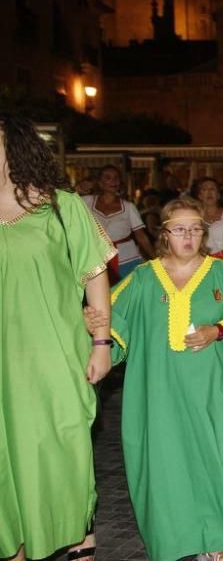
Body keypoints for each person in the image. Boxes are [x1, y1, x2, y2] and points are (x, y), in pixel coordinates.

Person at [96, 197, 223, 561]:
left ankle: (217, 539)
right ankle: (173, 538)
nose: (188, 235)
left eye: (196, 228)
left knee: (218, 458)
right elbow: (111, 319)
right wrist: (93, 328)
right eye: (179, 229)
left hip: (214, 390)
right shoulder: (142, 278)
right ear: (165, 234)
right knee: (168, 462)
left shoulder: (220, 273)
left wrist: (217, 330)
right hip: (160, 394)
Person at [0, 112, 114, 561]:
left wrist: (101, 343)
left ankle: (75, 537)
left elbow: (94, 272)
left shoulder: (60, 206)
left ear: (17, 147)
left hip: (53, 352)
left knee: (59, 443)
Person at [83, 164, 155, 281]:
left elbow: (141, 236)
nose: (113, 181)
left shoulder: (129, 207)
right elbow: (63, 203)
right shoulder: (87, 202)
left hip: (126, 259)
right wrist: (77, 188)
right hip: (96, 257)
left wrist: (156, 258)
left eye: (116, 178)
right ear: (100, 182)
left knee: (125, 293)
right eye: (108, 178)